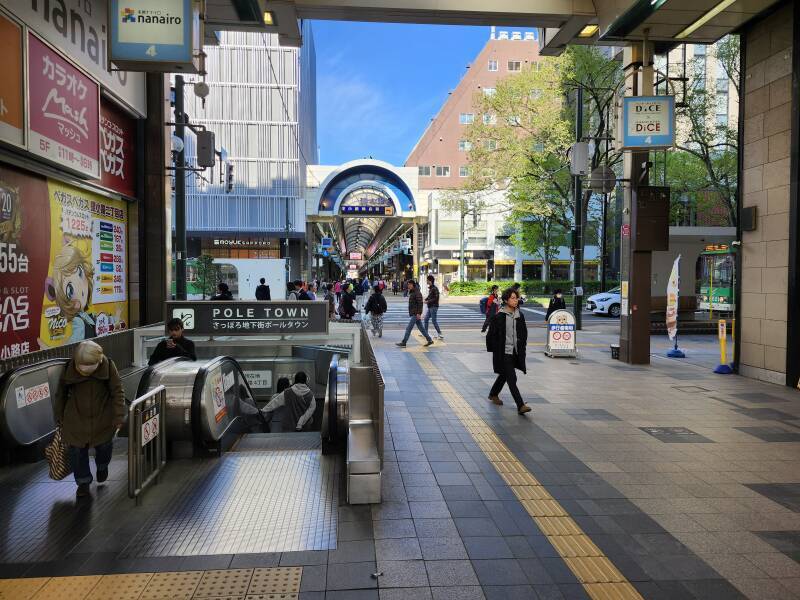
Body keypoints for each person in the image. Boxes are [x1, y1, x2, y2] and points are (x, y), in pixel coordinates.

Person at [54, 340, 125, 498]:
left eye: (89, 365)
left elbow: (117, 391)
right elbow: (61, 394)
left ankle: (102, 466)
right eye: (82, 365)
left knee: (104, 447)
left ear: (98, 360)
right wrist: (59, 416)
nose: (85, 368)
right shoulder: (69, 368)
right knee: (76, 452)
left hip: (103, 417)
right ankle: (83, 483)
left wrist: (119, 415)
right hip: (75, 417)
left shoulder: (108, 366)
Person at [485, 288, 532, 415]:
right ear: (506, 300)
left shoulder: (519, 315)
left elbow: (524, 333)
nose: (515, 300)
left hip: (515, 352)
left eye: (516, 298)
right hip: (504, 352)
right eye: (512, 298)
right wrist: (494, 350)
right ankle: (520, 405)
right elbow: (491, 336)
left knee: (505, 374)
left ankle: (493, 394)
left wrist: (522, 347)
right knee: (512, 378)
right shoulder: (499, 316)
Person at [396, 281, 434, 348]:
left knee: (409, 328)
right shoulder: (413, 292)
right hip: (415, 313)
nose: (408, 286)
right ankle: (430, 340)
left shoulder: (417, 293)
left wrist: (419, 313)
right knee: (421, 328)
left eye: (410, 284)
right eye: (408, 284)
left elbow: (420, 303)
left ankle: (404, 342)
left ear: (413, 285)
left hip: (415, 313)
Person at [423, 274, 443, 340]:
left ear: (430, 281)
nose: (426, 281)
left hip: (434, 307)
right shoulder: (431, 288)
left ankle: (440, 334)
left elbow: (436, 298)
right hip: (430, 306)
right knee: (426, 319)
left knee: (434, 321)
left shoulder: (434, 288)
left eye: (427, 280)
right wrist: (425, 300)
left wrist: (428, 301)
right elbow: (429, 296)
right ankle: (425, 333)